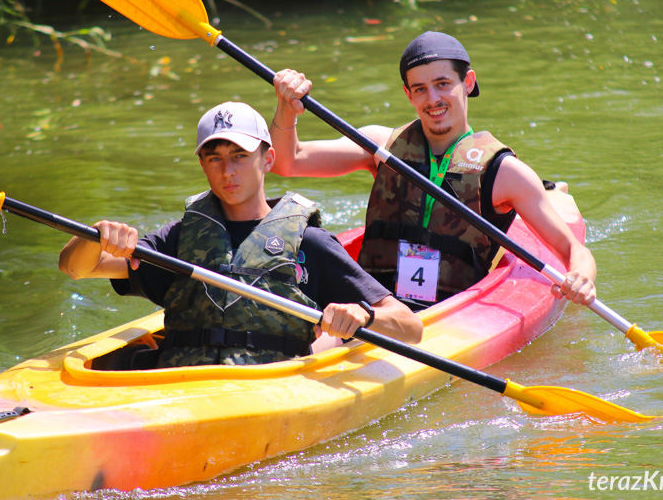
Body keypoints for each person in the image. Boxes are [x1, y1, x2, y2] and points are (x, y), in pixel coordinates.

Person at [59, 101, 423, 368]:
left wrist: (362, 316)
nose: (227, 171)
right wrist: (95, 237)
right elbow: (76, 268)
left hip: (267, 388)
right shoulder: (180, 239)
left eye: (239, 156)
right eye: (214, 158)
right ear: (202, 165)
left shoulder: (308, 243)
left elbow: (410, 326)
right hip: (180, 385)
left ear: (267, 159)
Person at [267, 31, 598, 309]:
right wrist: (287, 107)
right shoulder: (381, 146)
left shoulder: (504, 172)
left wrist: (582, 277)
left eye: (443, 84)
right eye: (420, 89)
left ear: (467, 82)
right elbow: (288, 162)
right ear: (408, 94)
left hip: (445, 313)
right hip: (373, 305)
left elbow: (573, 250)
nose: (433, 99)